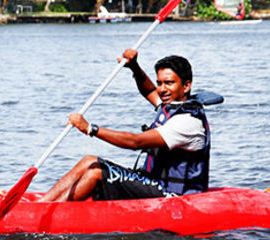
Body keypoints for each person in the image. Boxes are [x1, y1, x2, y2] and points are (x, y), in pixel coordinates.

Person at [41, 49, 210, 202]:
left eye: (169, 83)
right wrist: (134, 67)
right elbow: (149, 91)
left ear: (186, 86)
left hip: (174, 196)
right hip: (153, 182)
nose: (162, 89)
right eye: (160, 83)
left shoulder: (188, 122)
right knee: (89, 161)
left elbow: (136, 142)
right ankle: (41, 206)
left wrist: (90, 128)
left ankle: (47, 214)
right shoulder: (171, 105)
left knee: (95, 172)